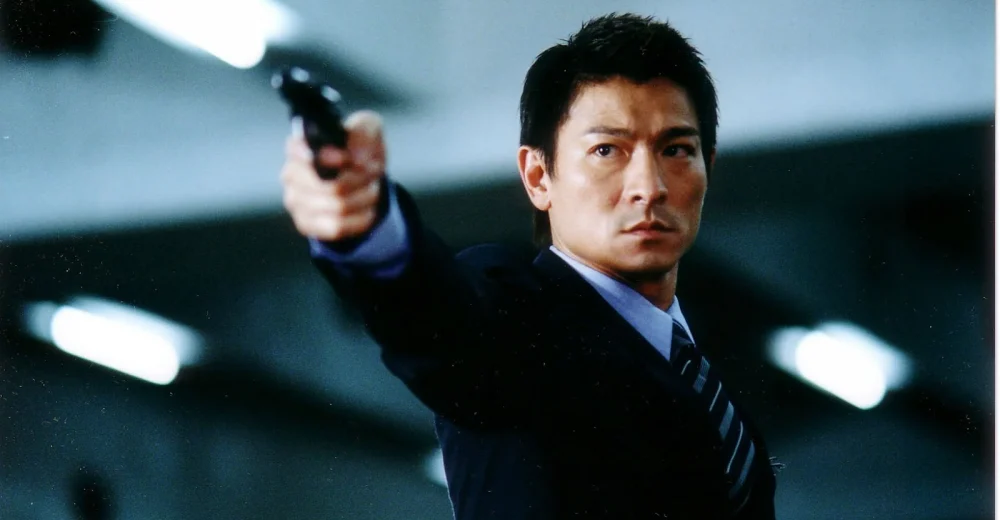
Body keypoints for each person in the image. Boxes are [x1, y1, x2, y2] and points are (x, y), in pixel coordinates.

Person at [280, 12, 778, 519]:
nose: (648, 187)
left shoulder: (710, 388)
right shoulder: (522, 319)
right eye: (607, 150)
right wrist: (370, 229)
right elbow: (444, 319)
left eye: (676, 149)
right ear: (538, 177)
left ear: (707, 166)